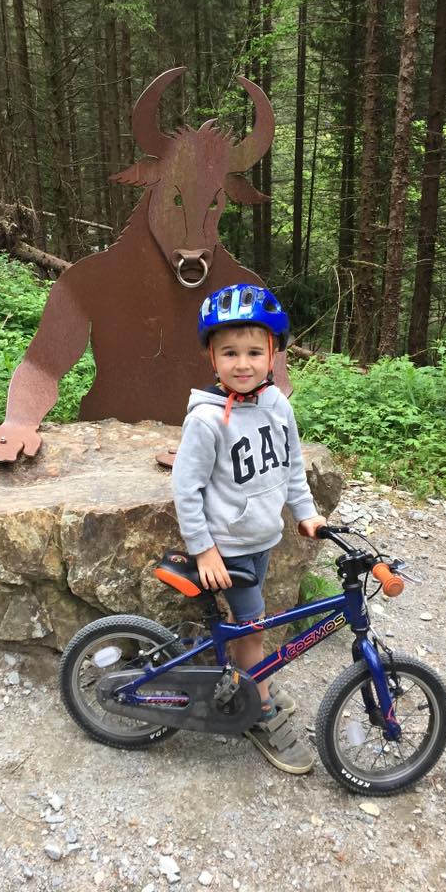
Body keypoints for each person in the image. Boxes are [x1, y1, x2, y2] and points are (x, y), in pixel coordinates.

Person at [171, 283, 327, 774]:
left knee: (250, 627)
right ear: (211, 358)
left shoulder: (278, 405)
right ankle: (257, 709)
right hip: (228, 549)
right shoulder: (206, 420)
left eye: (255, 352)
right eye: (230, 353)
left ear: (274, 354)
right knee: (255, 630)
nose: (243, 363)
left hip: (262, 539)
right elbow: (186, 489)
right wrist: (205, 550)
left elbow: (291, 465)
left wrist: (305, 512)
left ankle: (247, 678)